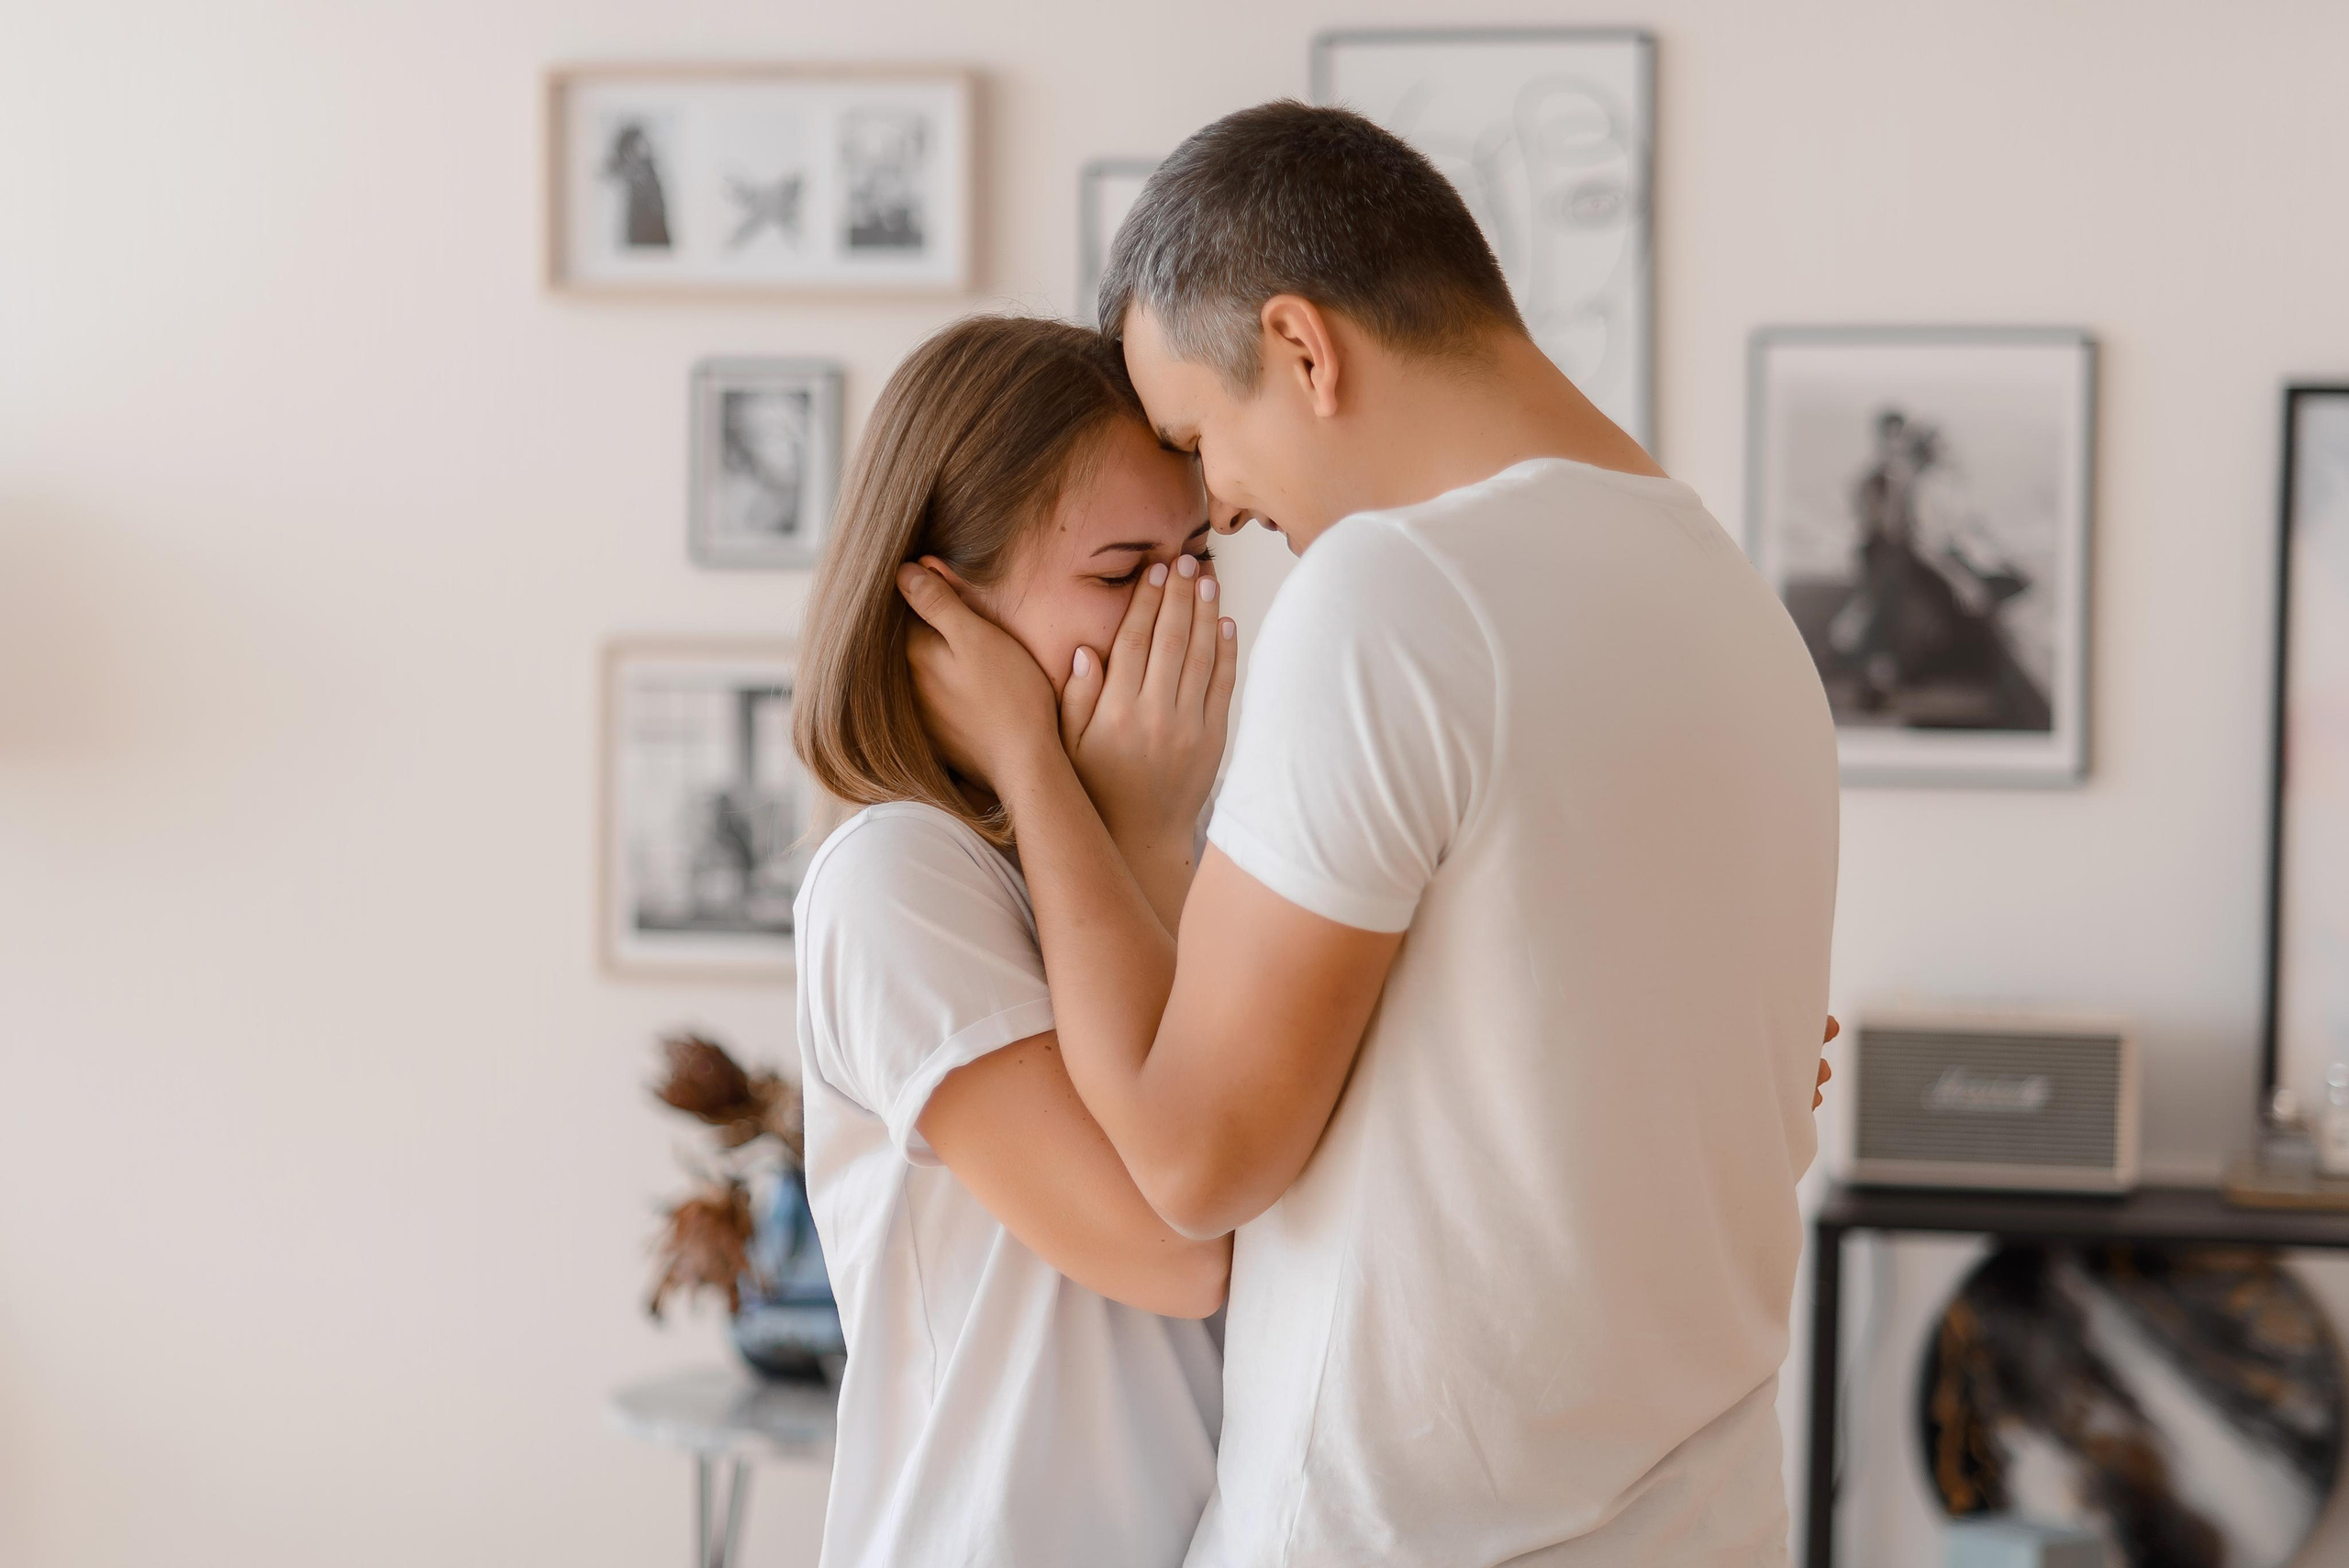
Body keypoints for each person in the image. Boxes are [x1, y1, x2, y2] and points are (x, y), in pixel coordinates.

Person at [896, 102, 1842, 1566]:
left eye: (1200, 440)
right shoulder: (1737, 609)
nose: (1220, 507)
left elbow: (1195, 1163)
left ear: (1304, 349)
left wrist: (1039, 767)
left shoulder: (1392, 598)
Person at [788, 315, 1241, 1568]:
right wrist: (1061, 782)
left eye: (1198, 553)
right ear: (943, 613)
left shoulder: (1215, 859)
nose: (1183, 607)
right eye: (1120, 571)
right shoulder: (899, 879)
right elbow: (1177, 1244)